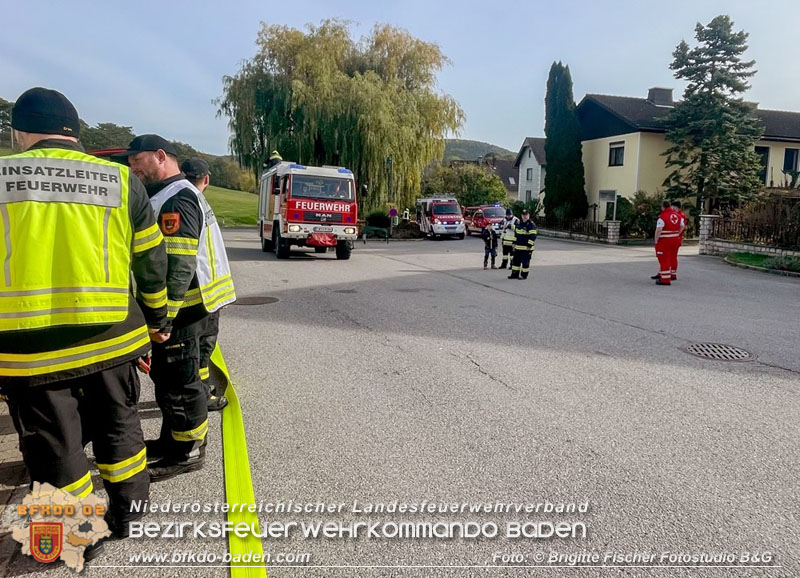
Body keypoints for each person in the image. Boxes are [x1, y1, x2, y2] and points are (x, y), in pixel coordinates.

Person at [0, 88, 169, 543]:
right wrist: (158, 320)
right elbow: (151, 260)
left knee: (56, 448)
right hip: (114, 337)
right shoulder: (120, 180)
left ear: (19, 132)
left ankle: (78, 536)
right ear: (73, 132)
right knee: (120, 429)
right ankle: (131, 514)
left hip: (30, 349)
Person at [118, 135, 236, 482]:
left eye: (137, 160)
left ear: (160, 156)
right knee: (175, 381)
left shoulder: (176, 198)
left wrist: (162, 318)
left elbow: (178, 265)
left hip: (183, 313)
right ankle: (173, 440)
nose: (132, 167)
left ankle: (187, 452)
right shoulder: (176, 193)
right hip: (193, 310)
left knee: (179, 385)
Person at [180, 158, 228, 412]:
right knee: (199, 349)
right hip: (200, 296)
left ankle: (201, 390)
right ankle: (200, 395)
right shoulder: (193, 200)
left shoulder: (186, 199)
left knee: (200, 348)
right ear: (206, 179)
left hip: (202, 293)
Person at [653, 200, 684, 286]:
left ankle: (665, 279)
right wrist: (677, 233)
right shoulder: (678, 215)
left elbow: (659, 230)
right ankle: (670, 274)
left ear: (663, 207)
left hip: (665, 241)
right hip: (675, 239)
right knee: (672, 257)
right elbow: (682, 226)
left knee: (664, 259)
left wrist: (656, 240)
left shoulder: (662, 217)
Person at [507, 210, 537, 280]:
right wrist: (514, 243)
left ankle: (524, 275)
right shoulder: (519, 224)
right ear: (521, 216)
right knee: (515, 262)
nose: (525, 216)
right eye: (523, 215)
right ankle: (514, 274)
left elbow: (533, 235)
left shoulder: (531, 224)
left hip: (527, 248)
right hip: (518, 247)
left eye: (526, 215)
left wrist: (529, 244)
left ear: (528, 215)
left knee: (525, 262)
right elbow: (516, 234)